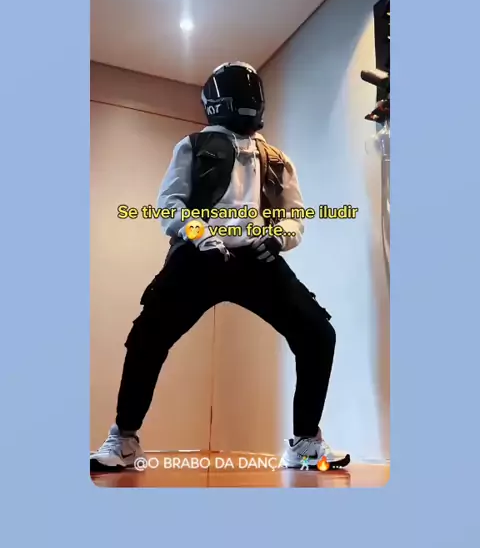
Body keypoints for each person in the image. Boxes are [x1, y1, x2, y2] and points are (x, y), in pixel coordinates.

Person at [90, 62, 350, 471]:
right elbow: (169, 204)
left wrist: (277, 238)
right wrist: (200, 235)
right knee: (147, 337)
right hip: (200, 255)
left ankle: (304, 442)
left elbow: (294, 216)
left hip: (257, 260)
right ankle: (124, 439)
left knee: (319, 334)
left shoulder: (277, 160)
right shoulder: (192, 146)